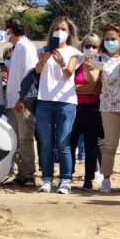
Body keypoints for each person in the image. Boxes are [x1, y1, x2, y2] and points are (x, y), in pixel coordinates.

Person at [35, 17, 82, 194]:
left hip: (66, 102)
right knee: (46, 142)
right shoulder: (42, 50)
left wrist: (62, 62)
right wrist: (44, 59)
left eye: (63, 29)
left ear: (69, 32)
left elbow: (69, 73)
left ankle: (65, 180)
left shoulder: (74, 52)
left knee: (64, 143)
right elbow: (38, 71)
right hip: (44, 101)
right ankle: (47, 179)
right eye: (56, 28)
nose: (59, 32)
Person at [93, 23, 120, 193]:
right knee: (110, 145)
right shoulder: (99, 58)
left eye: (113, 39)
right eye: (107, 39)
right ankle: (106, 179)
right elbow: (93, 78)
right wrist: (89, 68)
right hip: (108, 107)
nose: (110, 42)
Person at [3, 16, 38, 188]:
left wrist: (22, 98)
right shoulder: (16, 48)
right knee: (15, 140)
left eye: (6, 30)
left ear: (12, 30)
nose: (5, 33)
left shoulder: (27, 47)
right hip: (12, 102)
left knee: (25, 139)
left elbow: (29, 74)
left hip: (21, 101)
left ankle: (29, 174)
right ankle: (20, 173)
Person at [70, 34, 103, 190]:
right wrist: (80, 89)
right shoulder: (76, 63)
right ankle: (67, 176)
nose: (90, 49)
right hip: (74, 109)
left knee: (91, 147)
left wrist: (75, 89)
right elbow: (68, 84)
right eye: (87, 46)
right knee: (70, 145)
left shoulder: (100, 64)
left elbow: (95, 88)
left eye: (94, 46)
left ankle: (88, 180)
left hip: (93, 110)